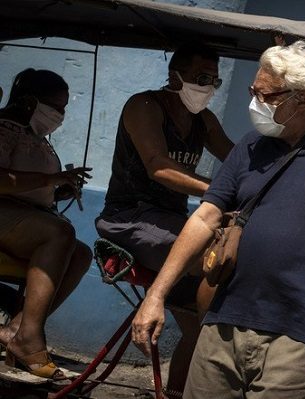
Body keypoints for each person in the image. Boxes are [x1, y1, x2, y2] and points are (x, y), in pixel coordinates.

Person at [131, 40, 305, 399]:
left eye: (264, 94)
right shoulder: (250, 148)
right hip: (221, 324)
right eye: (253, 91)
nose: (253, 102)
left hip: (296, 335)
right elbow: (206, 217)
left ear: (301, 98)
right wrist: (156, 294)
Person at [95, 42, 234, 398]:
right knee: (210, 259)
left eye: (214, 81)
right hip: (129, 218)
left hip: (173, 221)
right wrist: (216, 190)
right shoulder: (144, 106)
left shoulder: (204, 122)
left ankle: (175, 392)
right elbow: (158, 166)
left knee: (202, 327)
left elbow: (234, 160)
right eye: (201, 78)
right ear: (176, 76)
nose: (208, 88)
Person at [0, 69, 93, 379]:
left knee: (81, 254)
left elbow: (36, 183)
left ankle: (18, 328)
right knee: (60, 232)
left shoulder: (37, 138)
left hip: (26, 218)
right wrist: (50, 179)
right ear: (29, 101)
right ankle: (29, 338)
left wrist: (60, 187)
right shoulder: (4, 128)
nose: (61, 115)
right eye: (56, 107)